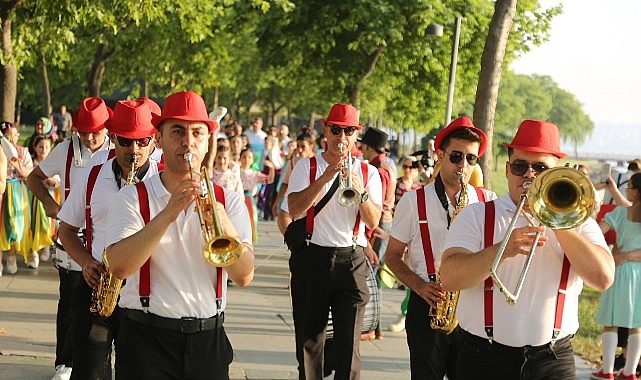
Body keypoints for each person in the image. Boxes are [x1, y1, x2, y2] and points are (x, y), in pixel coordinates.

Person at [440, 119, 615, 379]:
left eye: (540, 167)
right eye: (521, 166)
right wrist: (502, 250)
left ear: (556, 173)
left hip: (552, 360)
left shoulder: (580, 221)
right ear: (509, 170)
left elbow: (603, 278)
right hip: (483, 357)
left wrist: (557, 219)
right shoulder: (477, 215)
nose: (529, 175)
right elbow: (450, 277)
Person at [104, 91, 254, 379]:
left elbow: (244, 276)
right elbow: (119, 266)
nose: (188, 142)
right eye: (177, 132)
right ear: (158, 139)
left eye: (197, 133)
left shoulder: (230, 201)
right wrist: (167, 214)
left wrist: (223, 221)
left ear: (207, 141)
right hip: (147, 340)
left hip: (207, 340)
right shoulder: (133, 198)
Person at [384, 117, 496, 379]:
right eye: (456, 156)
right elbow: (391, 256)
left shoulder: (487, 201)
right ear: (440, 154)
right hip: (428, 304)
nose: (463, 166)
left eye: (471, 159)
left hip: (472, 307)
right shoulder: (414, 201)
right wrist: (420, 286)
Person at [57, 100, 159, 380]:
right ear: (113, 138)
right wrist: (86, 261)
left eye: (142, 141)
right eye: (126, 141)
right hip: (97, 285)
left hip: (145, 294)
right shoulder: (93, 175)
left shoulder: (163, 178)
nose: (134, 150)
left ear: (154, 139)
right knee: (89, 373)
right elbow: (66, 230)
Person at [283, 103, 382, 380]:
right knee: (309, 340)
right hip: (312, 257)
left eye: (348, 131)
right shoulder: (307, 166)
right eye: (336, 130)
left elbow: (373, 221)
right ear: (326, 130)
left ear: (355, 135)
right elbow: (293, 208)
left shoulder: (369, 172)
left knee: (349, 346)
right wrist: (326, 177)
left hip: (352, 259)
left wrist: (359, 190)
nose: (342, 137)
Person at [26, 97, 112, 380]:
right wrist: (51, 206)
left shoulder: (118, 150)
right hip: (72, 238)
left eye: (95, 132)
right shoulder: (65, 150)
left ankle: (101, 366)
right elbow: (34, 178)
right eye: (83, 131)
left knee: (104, 307)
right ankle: (65, 363)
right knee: (71, 301)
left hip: (106, 240)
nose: (89, 137)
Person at [590, 172, 641, 380]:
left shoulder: (620, 213)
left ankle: (607, 370)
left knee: (611, 321)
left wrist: (616, 254)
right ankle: (629, 372)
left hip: (620, 270)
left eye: (629, 186)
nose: (626, 189)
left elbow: (597, 232)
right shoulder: (626, 210)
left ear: (636, 192)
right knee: (636, 324)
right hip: (639, 272)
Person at [358, 126, 396, 341]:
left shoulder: (378, 169)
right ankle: (375, 327)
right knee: (372, 275)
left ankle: (373, 326)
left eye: (363, 145)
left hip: (378, 224)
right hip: (383, 222)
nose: (361, 149)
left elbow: (375, 205)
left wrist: (367, 238)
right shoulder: (386, 165)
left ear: (370, 148)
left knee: (371, 276)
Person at [387, 155, 424, 333]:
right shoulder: (397, 184)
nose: (408, 169)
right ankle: (405, 312)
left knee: (414, 275)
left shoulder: (421, 187)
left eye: (412, 166)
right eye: (406, 166)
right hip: (399, 234)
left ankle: (405, 312)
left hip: (415, 239)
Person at [0, 122, 34, 273]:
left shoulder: (22, 152)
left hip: (16, 190)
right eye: (7, 136)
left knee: (15, 225)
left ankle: (11, 256)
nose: (10, 139)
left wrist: (16, 165)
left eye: (13, 135)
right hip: (1, 190)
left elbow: (30, 173)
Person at [239, 146, 274, 243]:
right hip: (238, 198)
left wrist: (271, 168)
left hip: (249, 198)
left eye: (249, 157)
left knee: (251, 220)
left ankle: (248, 240)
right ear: (240, 158)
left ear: (253, 159)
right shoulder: (236, 172)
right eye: (244, 157)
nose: (246, 159)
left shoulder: (254, 174)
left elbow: (269, 180)